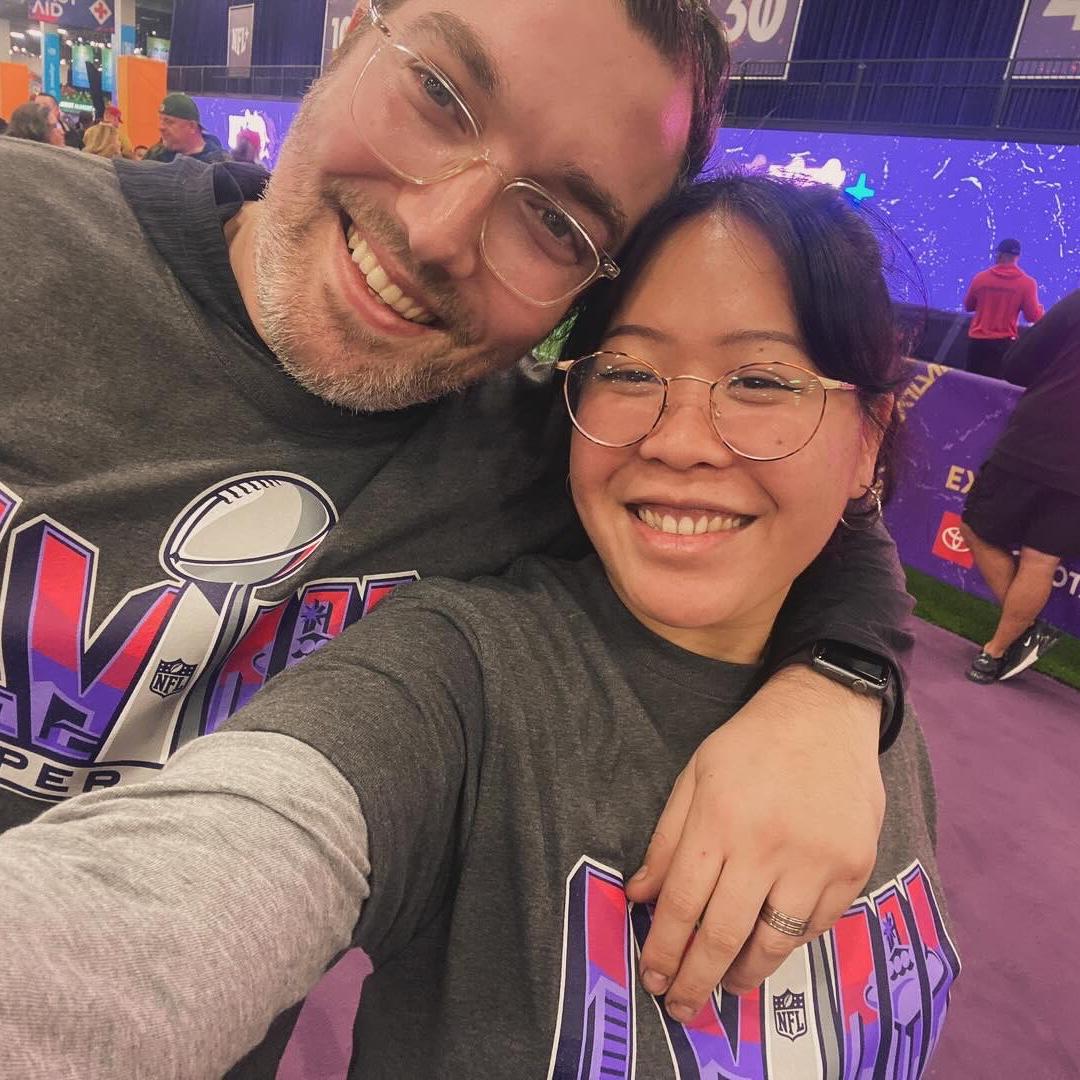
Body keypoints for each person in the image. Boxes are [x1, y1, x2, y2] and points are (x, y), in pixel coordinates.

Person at [0, 0, 912, 1071]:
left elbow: (810, 494)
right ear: (354, 34)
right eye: (438, 95)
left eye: (558, 224)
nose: (438, 232)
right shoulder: (25, 235)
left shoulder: (550, 450)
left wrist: (836, 689)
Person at [960, 287, 1080, 683]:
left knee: (975, 528)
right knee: (1041, 559)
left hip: (1036, 438)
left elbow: (1018, 363)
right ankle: (995, 652)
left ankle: (1020, 634)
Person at [963, 238, 1043, 379]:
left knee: (971, 384)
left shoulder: (980, 278)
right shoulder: (1027, 283)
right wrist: (1041, 309)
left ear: (999, 255)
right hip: (1003, 344)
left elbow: (968, 306)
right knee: (995, 387)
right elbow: (1032, 316)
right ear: (1017, 257)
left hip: (977, 343)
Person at [143, 92, 230, 164]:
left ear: (192, 126)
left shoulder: (217, 164)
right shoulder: (155, 156)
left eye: (169, 121)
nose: (161, 127)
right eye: (161, 120)